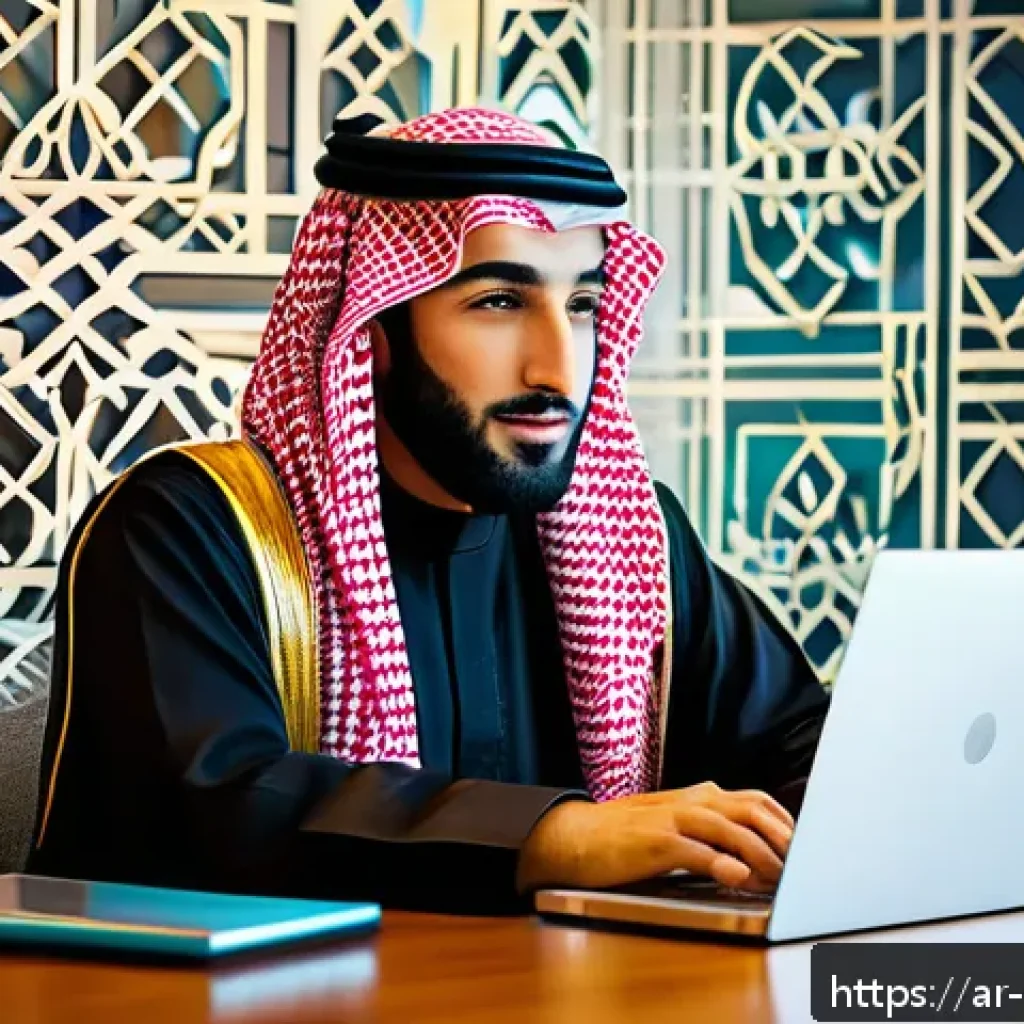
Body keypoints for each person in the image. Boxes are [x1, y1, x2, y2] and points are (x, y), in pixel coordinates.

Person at [28, 107, 830, 914]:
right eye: (499, 303)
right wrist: (556, 838)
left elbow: (800, 743)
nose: (560, 367)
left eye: (582, 305)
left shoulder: (633, 549)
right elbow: (217, 812)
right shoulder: (188, 530)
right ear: (371, 328)